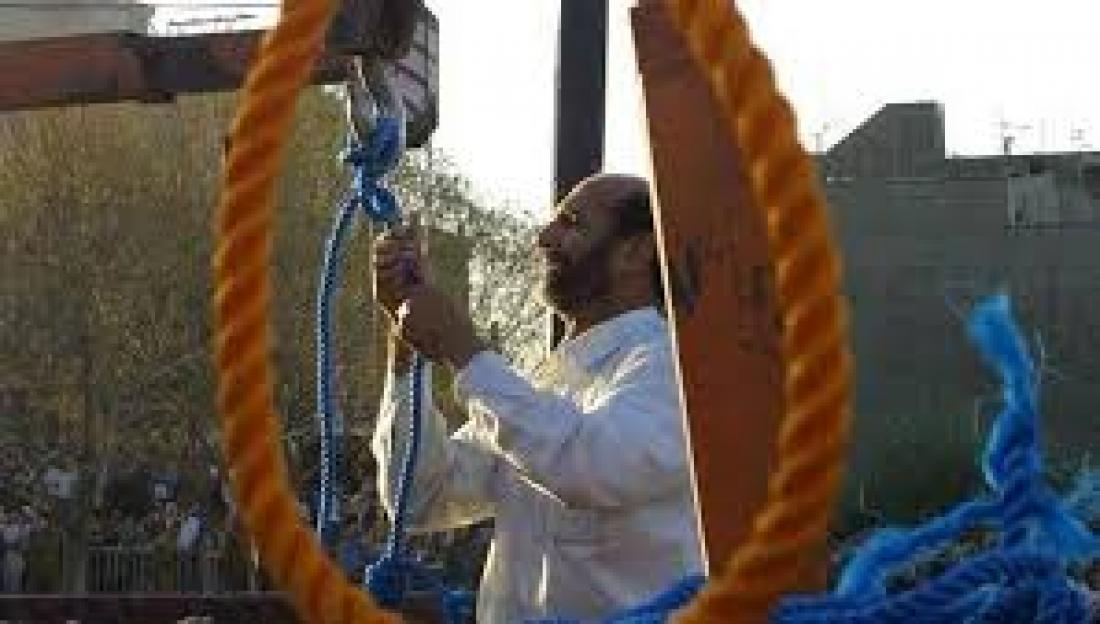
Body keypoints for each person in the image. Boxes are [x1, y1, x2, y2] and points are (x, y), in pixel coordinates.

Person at [370, 173, 702, 622]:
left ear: (635, 252)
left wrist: (462, 348)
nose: (544, 237)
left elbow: (591, 464)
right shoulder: (543, 390)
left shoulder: (672, 365)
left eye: (571, 223)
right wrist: (406, 343)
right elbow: (419, 498)